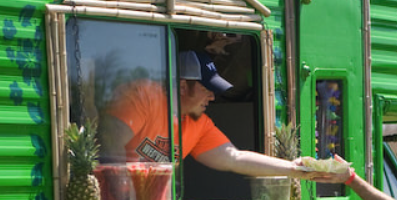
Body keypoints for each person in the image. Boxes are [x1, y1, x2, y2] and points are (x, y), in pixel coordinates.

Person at [100, 49, 307, 179]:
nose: (212, 97)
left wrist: (293, 168)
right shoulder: (142, 95)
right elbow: (110, 146)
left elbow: (236, 158)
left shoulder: (199, 123)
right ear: (182, 86)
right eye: (206, 89)